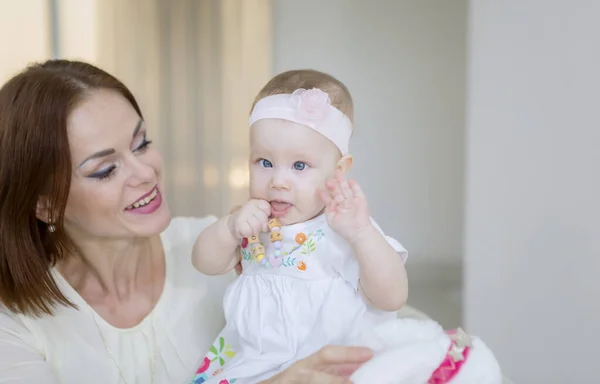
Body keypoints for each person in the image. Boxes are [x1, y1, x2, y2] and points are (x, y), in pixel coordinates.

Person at [0, 60, 373, 384]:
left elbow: (362, 312)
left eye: (142, 143)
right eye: (105, 169)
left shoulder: (236, 248)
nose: (145, 172)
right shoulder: (15, 326)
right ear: (45, 205)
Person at [191, 70, 409, 383]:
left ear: (338, 171)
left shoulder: (345, 228)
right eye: (264, 162)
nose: (278, 181)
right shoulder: (250, 223)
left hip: (329, 365)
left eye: (299, 166)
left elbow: (391, 297)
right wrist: (228, 228)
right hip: (255, 363)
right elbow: (204, 262)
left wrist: (362, 235)